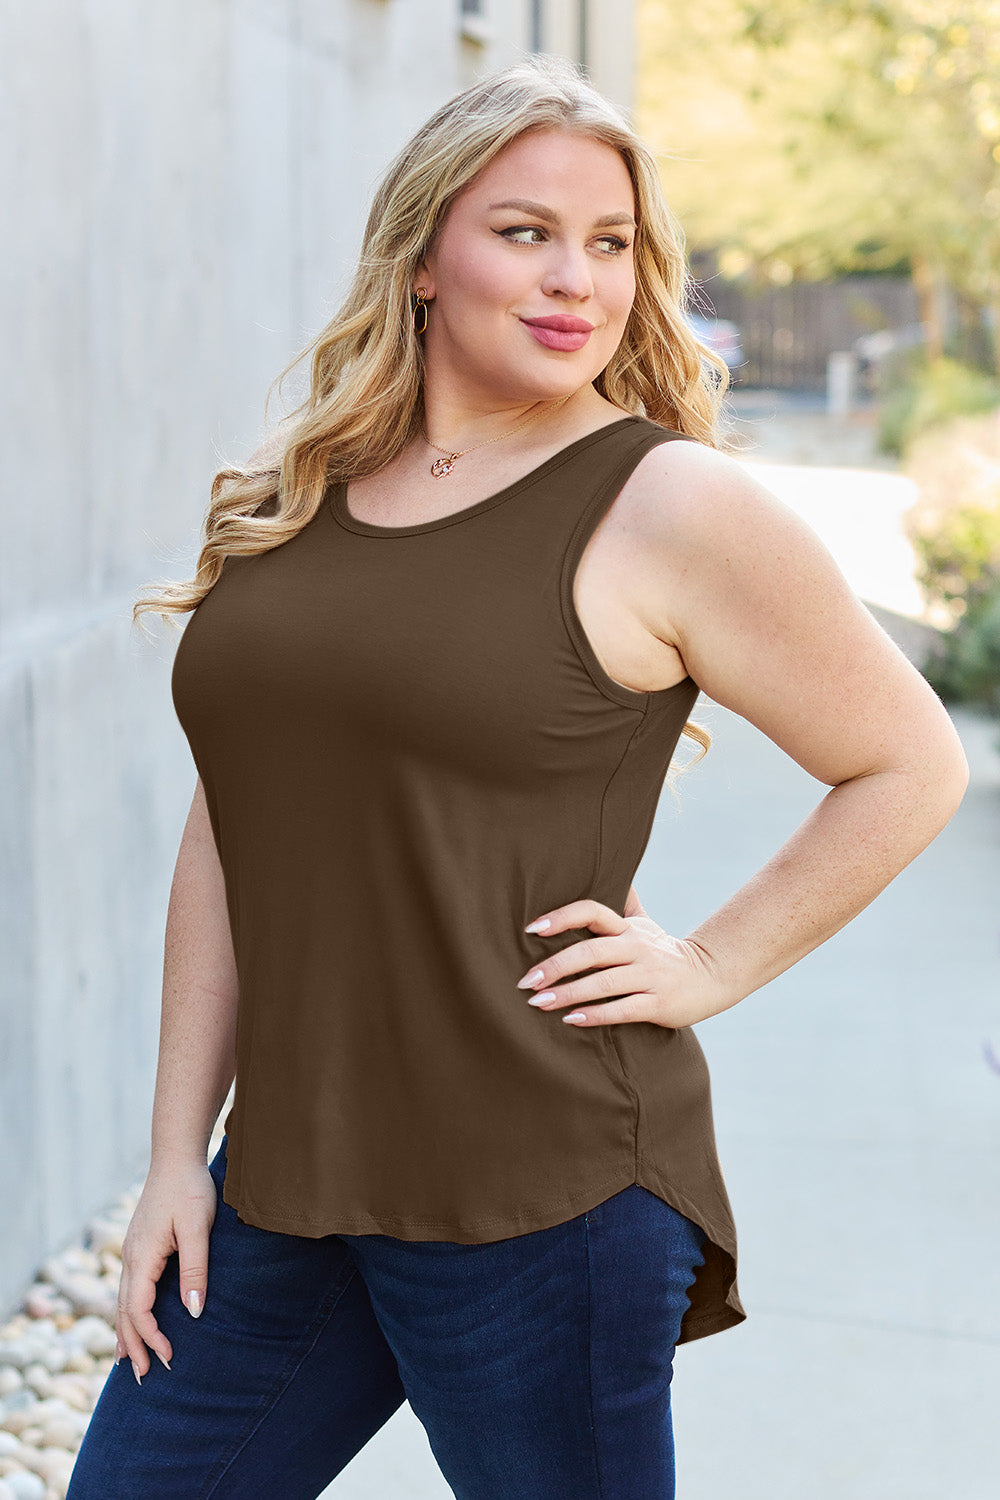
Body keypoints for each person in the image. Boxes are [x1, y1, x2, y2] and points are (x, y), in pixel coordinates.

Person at [67, 53, 969, 1500]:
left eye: (611, 244)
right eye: (526, 232)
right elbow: (238, 823)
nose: (576, 281)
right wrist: (178, 1154)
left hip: (540, 1197)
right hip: (289, 1191)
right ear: (424, 258)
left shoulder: (667, 502)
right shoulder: (307, 496)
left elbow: (907, 762)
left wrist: (711, 963)